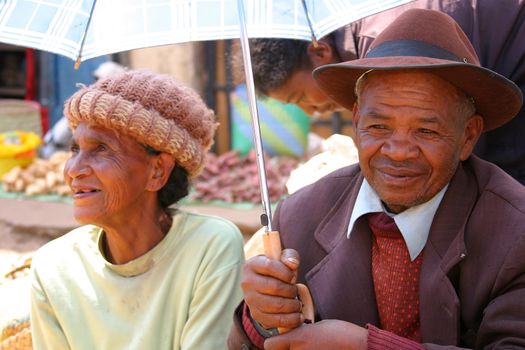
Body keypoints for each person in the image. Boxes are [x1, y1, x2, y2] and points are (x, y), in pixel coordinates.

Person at [228, 9, 525, 349]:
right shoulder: (298, 216)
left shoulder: (514, 231)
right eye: (378, 127)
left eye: (426, 130)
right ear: (355, 122)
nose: (398, 151)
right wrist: (263, 318)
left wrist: (366, 346)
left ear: (468, 136)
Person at [29, 70, 245, 349]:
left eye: (101, 149)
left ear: (157, 171)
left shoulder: (210, 247)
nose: (73, 170)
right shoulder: (54, 268)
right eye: (74, 150)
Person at [247, 0, 525, 185]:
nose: (309, 112)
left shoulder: (388, 50)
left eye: (301, 98)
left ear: (319, 51)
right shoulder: (365, 33)